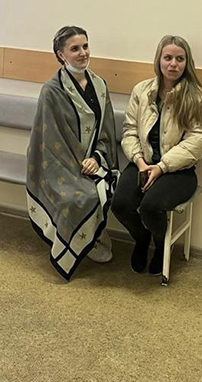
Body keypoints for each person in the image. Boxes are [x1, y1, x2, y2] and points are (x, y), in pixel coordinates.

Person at [112, 35, 202, 275]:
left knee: (150, 207)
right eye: (168, 58)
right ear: (159, 60)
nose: (173, 64)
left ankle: (160, 246)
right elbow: (129, 131)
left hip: (178, 171)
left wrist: (162, 167)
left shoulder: (197, 98)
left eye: (180, 59)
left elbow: (195, 144)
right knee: (120, 204)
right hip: (142, 163)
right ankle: (142, 239)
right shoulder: (142, 90)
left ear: (187, 63)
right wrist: (140, 162)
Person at [26, 26, 118, 280]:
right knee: (78, 196)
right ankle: (82, 241)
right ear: (61, 54)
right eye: (75, 48)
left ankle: (92, 237)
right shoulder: (51, 91)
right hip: (59, 165)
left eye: (85, 46)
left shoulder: (100, 86)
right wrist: (78, 164)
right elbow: (49, 141)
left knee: (100, 189)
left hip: (95, 160)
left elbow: (107, 130)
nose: (82, 53)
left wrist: (97, 158)